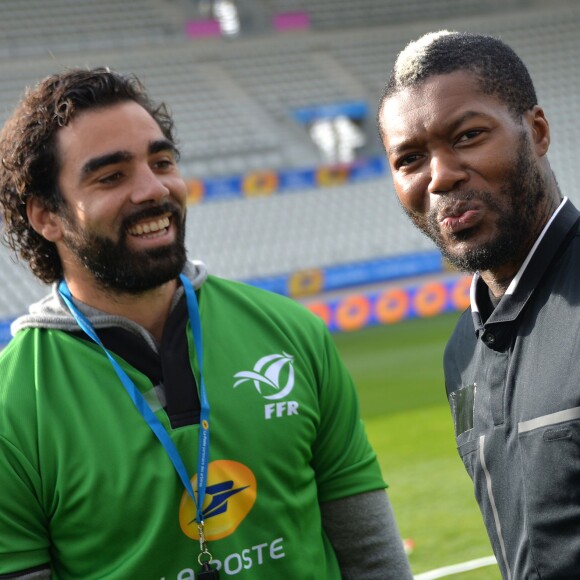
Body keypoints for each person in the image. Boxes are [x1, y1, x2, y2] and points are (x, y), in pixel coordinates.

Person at [0, 68, 413, 579]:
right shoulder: (12, 403)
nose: (154, 189)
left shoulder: (290, 332)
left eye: (162, 162)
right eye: (111, 176)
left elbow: (373, 555)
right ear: (46, 216)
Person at [378, 29, 580, 579]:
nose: (440, 175)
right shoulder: (463, 351)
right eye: (409, 159)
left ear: (536, 131)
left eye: (468, 136)